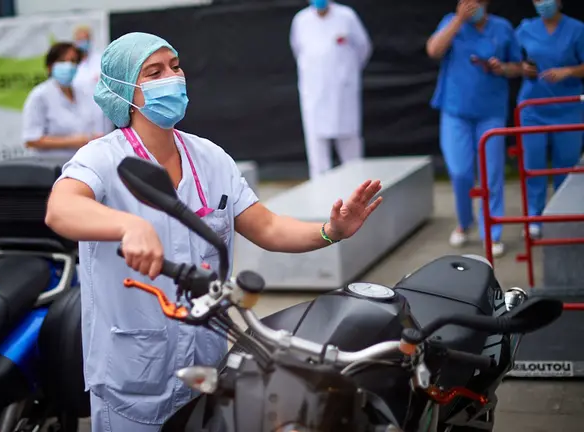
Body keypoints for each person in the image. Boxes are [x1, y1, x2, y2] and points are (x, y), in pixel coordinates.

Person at [45, 32, 383, 432]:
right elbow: (60, 209)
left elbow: (269, 227)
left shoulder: (210, 158)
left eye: (174, 66)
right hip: (133, 378)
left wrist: (331, 231)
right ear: (124, 92)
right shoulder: (101, 157)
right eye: (154, 72)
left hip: (206, 368)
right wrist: (128, 224)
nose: (172, 77)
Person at [426, 0, 523, 257]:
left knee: (491, 173)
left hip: (490, 112)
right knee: (460, 172)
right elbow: (434, 50)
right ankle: (464, 222)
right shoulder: (451, 22)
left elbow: (518, 66)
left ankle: (492, 232)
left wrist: (502, 68)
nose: (470, 5)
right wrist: (458, 20)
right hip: (455, 111)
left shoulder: (502, 28)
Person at [516, 0, 584, 239]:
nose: (542, 3)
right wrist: (523, 68)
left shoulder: (577, 29)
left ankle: (561, 215)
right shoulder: (525, 28)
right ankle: (534, 218)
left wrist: (569, 71)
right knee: (533, 164)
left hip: (568, 107)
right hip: (533, 108)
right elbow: (513, 63)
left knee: (565, 164)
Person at [290, 0, 373, 179]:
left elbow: (363, 48)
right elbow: (298, 50)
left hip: (343, 93)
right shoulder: (301, 20)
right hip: (313, 95)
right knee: (317, 155)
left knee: (351, 151)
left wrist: (345, 74)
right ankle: (321, 199)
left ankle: (357, 193)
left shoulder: (347, 16)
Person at [22, 42, 105, 159]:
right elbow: (31, 140)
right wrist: (72, 141)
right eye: (62, 61)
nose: (68, 65)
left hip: (82, 164)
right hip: (50, 167)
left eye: (73, 61)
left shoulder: (83, 93)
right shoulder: (39, 95)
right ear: (50, 66)